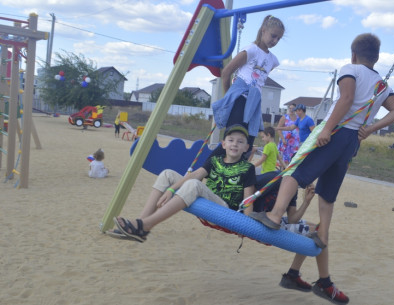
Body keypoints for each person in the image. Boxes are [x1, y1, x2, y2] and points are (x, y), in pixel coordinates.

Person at [250, 33, 394, 304]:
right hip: (352, 141)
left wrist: (329, 128)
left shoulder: (350, 70)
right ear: (376, 58)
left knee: (294, 172)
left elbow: (345, 99)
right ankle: (321, 239)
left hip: (336, 132)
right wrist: (370, 128)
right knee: (328, 194)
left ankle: (274, 217)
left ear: (353, 54)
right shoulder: (381, 84)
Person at [112, 125, 257, 242]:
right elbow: (195, 174)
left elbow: (248, 200)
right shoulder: (215, 161)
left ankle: (146, 225)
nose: (235, 144)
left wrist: (246, 226)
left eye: (240, 141)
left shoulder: (248, 168)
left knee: (194, 184)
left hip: (224, 211)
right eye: (231, 140)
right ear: (224, 144)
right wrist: (171, 189)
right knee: (167, 174)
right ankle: (141, 223)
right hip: (210, 200)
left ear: (246, 148)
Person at [212, 15, 285, 157]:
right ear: (263, 30)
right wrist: (229, 97)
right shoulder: (251, 50)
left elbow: (259, 81)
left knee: (247, 142)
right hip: (240, 98)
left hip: (254, 102)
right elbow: (227, 72)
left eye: (278, 39)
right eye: (273, 36)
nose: (275, 41)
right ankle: (209, 169)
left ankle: (238, 173)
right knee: (234, 140)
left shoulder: (273, 60)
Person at [252, 171, 317, 292]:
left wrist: (306, 202)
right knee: (315, 231)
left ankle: (293, 274)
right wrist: (245, 221)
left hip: (273, 221)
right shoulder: (274, 178)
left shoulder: (293, 189)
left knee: (317, 227)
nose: (312, 181)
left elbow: (292, 219)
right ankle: (293, 275)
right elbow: (249, 186)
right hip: (259, 221)